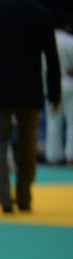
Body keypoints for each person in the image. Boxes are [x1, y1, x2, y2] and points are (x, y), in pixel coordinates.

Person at [0, 0, 60, 214]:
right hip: (30, 90)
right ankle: (24, 197)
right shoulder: (41, 13)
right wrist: (54, 93)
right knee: (27, 145)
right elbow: (51, 56)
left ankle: (4, 199)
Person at [44, 19, 73, 166]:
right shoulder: (69, 40)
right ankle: (70, 157)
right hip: (69, 81)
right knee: (72, 121)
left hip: (51, 83)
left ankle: (53, 157)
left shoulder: (45, 39)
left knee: (53, 121)